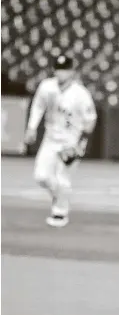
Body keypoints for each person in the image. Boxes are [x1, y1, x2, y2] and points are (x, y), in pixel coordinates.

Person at [24, 54, 97, 227]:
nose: (61, 73)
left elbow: (91, 119)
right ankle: (59, 198)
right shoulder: (46, 87)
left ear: (72, 71)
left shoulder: (80, 93)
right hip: (50, 139)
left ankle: (60, 213)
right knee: (41, 176)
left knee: (63, 179)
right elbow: (37, 106)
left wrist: (81, 144)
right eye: (58, 69)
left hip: (70, 141)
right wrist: (32, 127)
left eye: (65, 69)